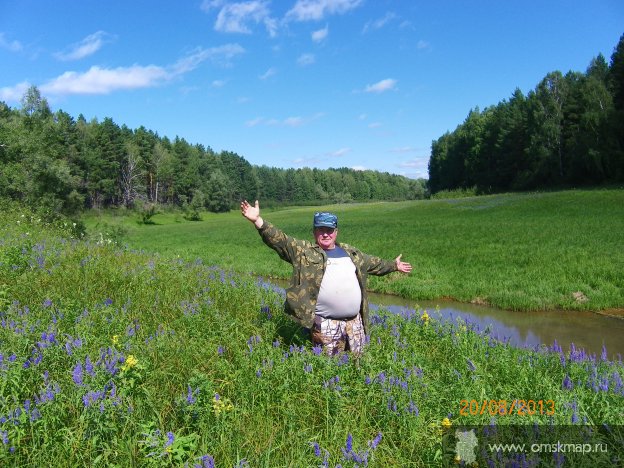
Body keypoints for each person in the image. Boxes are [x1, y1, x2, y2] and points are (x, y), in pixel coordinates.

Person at [240, 199, 412, 356]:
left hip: (355, 325)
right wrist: (258, 221)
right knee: (328, 372)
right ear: (314, 231)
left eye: (329, 230)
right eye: (321, 229)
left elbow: (374, 264)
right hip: (325, 326)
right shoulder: (304, 251)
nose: (325, 234)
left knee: (358, 368)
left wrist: (394, 266)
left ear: (336, 232)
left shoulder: (351, 253)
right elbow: (280, 240)